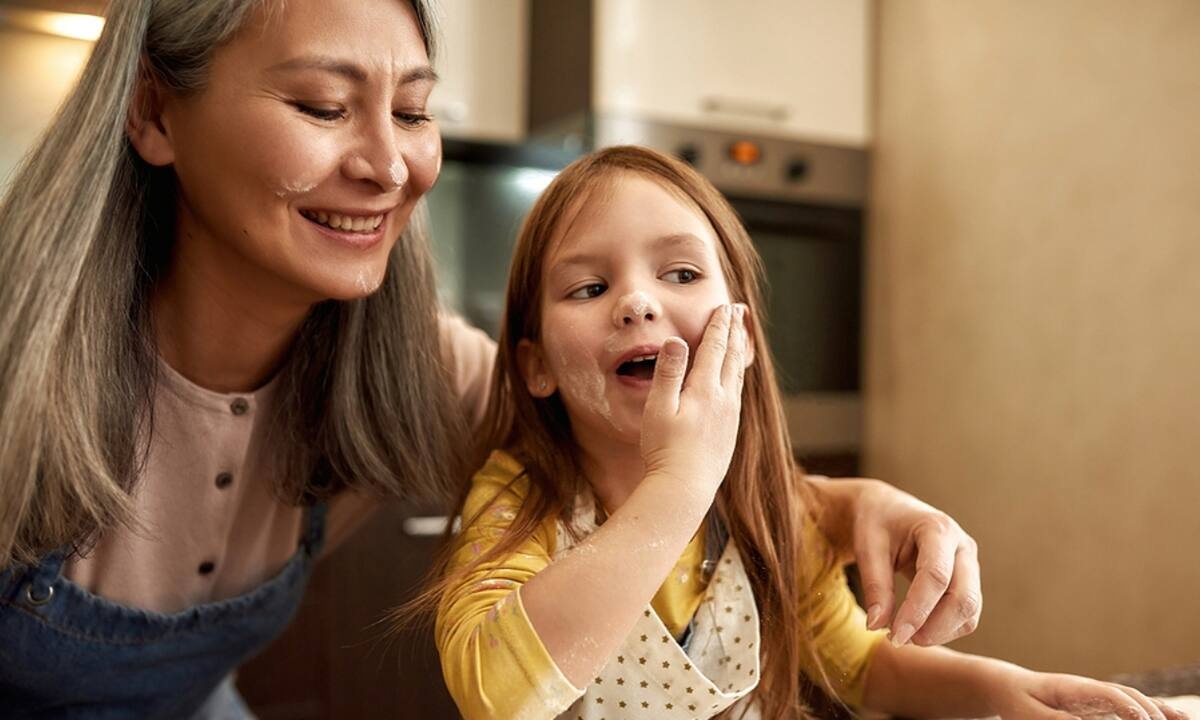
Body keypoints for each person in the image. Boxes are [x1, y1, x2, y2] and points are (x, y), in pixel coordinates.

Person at [0, 0, 985, 716]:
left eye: (416, 112)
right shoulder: (18, 364)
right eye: (321, 106)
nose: (390, 165)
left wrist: (849, 502)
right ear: (154, 115)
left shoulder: (422, 372)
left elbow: (633, 453)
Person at [431, 146, 1188, 720]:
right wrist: (677, 486)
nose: (636, 302)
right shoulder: (518, 498)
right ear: (534, 366)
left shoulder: (764, 508)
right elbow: (494, 688)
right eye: (590, 288)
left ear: (744, 339)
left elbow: (860, 663)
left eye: (682, 275)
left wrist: (1010, 690)